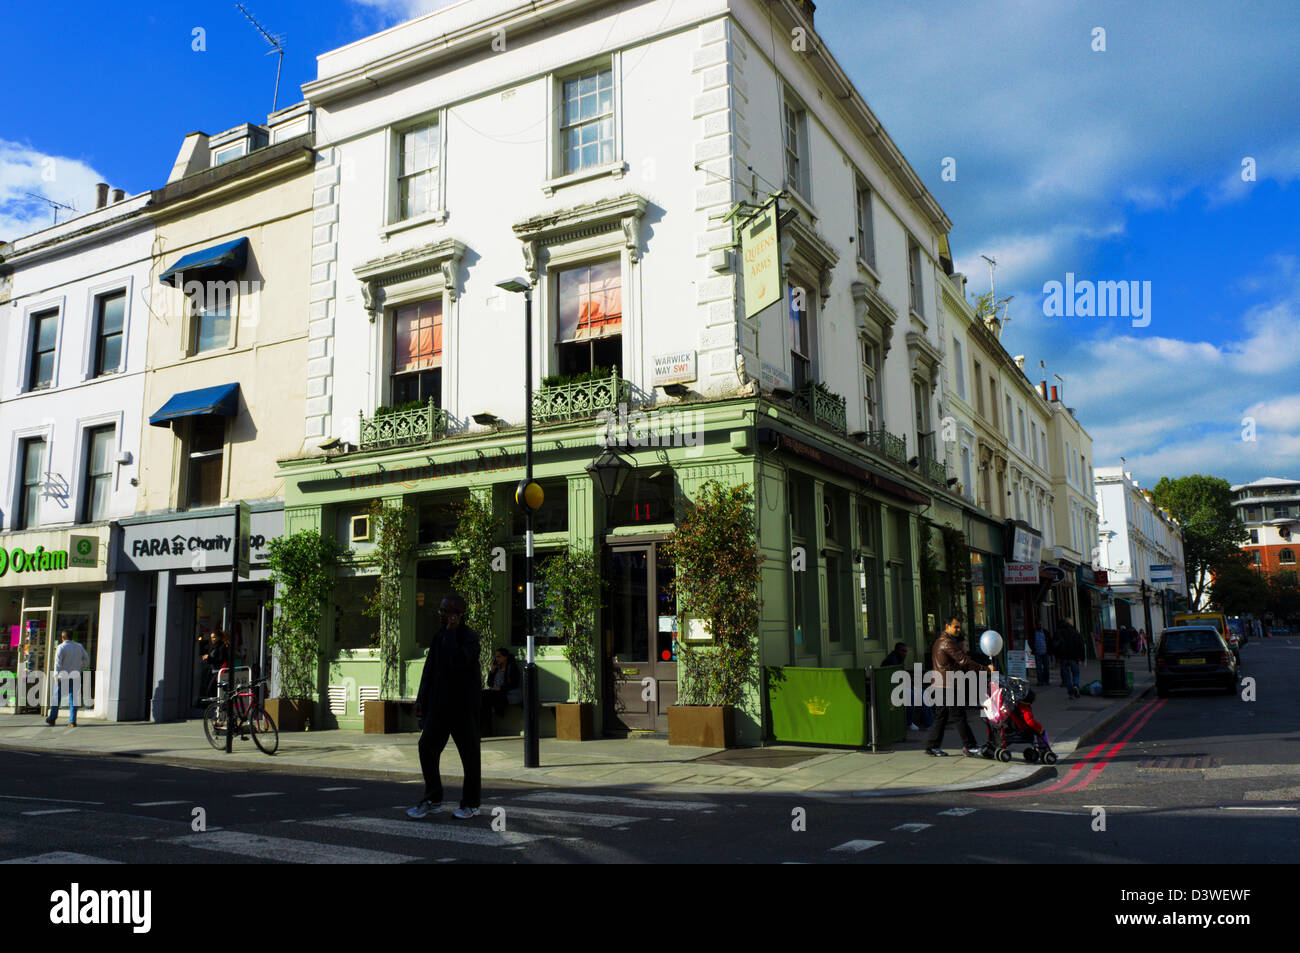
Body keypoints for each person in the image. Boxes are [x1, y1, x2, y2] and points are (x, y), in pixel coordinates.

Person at [408, 595, 482, 821]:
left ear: (457, 614)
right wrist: (421, 699)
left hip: (462, 708)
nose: (440, 614)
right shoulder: (439, 635)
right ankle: (433, 798)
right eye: (440, 610)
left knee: (469, 757)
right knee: (426, 748)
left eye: (444, 611)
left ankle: (471, 804)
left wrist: (451, 632)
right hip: (439, 706)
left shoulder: (469, 638)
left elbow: (457, 662)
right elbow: (429, 669)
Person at [925, 615, 994, 757]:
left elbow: (958, 663)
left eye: (958, 626)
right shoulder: (946, 643)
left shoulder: (944, 641)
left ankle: (932, 746)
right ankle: (970, 746)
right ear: (947, 626)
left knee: (942, 716)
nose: (958, 629)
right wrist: (986, 669)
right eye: (955, 626)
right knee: (959, 716)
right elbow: (964, 662)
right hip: (947, 685)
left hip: (941, 684)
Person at [45, 631, 90, 727]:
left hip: (63, 675)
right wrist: (80, 668)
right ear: (72, 637)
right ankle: (72, 720)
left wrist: (56, 676)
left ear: (62, 637)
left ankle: (52, 718)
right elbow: (86, 660)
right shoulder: (79, 646)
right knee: (73, 698)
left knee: (56, 698)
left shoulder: (61, 647)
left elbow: (57, 663)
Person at [479, 646, 521, 735]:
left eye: (498, 656)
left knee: (485, 698)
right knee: (484, 700)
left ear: (505, 657)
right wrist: (491, 671)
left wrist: (501, 688)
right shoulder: (496, 669)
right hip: (497, 694)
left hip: (510, 694)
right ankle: (485, 730)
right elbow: (489, 684)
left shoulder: (511, 667)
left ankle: (485, 731)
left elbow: (515, 683)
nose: (496, 659)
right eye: (495, 656)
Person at [200, 630, 229, 701]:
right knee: (210, 690)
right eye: (211, 637)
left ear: (219, 637)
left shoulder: (222, 647)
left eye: (214, 637)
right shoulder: (214, 647)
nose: (212, 639)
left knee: (211, 690)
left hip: (218, 672)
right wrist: (207, 658)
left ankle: (216, 707)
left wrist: (208, 657)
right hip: (213, 671)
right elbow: (213, 659)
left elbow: (221, 660)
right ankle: (216, 707)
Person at [1059, 622, 1086, 699]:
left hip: (1064, 658)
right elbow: (1081, 645)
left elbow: (1056, 645)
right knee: (1076, 673)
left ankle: (1070, 693)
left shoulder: (1060, 633)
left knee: (1067, 676)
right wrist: (1082, 657)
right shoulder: (1076, 633)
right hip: (1074, 657)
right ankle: (1076, 685)